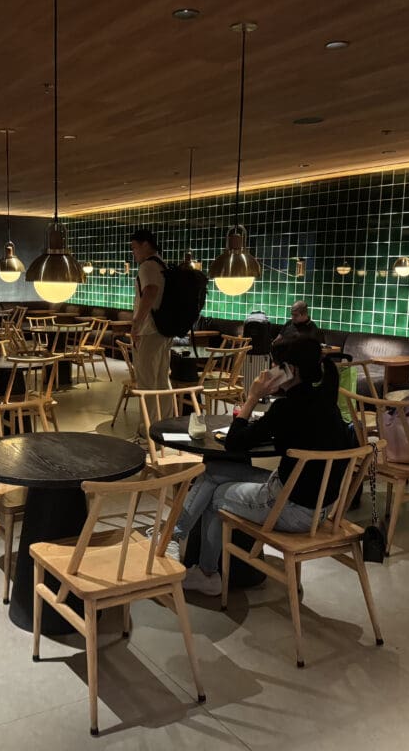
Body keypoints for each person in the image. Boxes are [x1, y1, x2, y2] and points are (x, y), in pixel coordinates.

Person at [173, 338, 354, 596]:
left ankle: (206, 573)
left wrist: (253, 396)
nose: (269, 370)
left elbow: (235, 442)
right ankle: (174, 536)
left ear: (290, 370)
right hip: (322, 507)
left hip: (290, 507)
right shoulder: (327, 403)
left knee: (215, 495)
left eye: (275, 365)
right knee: (213, 470)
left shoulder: (286, 408)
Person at [130, 228, 172, 417]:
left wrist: (136, 324)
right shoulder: (163, 265)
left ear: (145, 244)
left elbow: (150, 291)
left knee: (146, 382)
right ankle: (164, 423)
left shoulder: (147, 266)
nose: (133, 252)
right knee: (162, 379)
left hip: (149, 330)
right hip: (164, 329)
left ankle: (147, 427)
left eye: (134, 247)